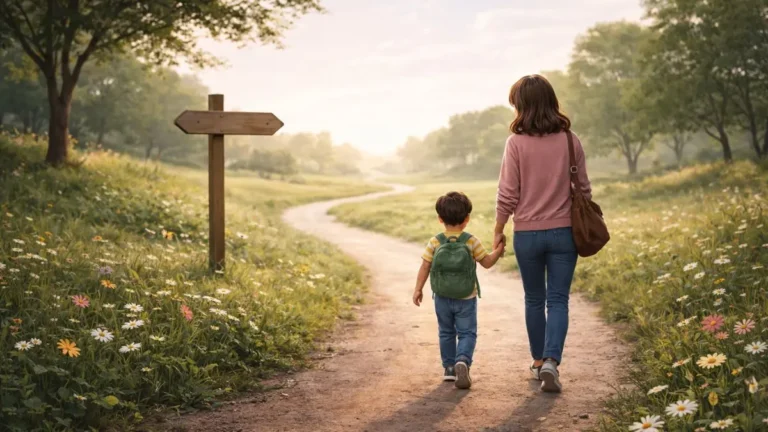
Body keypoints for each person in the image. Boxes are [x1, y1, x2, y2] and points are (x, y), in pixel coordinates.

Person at [493, 74, 592, 393]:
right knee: (558, 299)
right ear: (551, 102)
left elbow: (507, 193)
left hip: (528, 235)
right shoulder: (569, 139)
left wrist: (498, 228)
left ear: (521, 106)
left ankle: (538, 362)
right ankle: (551, 361)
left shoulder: (515, 143)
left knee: (534, 298)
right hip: (565, 233)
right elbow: (584, 190)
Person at [412, 191, 505, 389]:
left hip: (442, 296)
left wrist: (418, 289)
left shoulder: (435, 242)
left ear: (440, 219)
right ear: (466, 219)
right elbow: (487, 262)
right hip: (466, 297)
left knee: (445, 332)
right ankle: (462, 360)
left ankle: (449, 369)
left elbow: (425, 266)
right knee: (467, 333)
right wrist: (498, 250)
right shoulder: (471, 241)